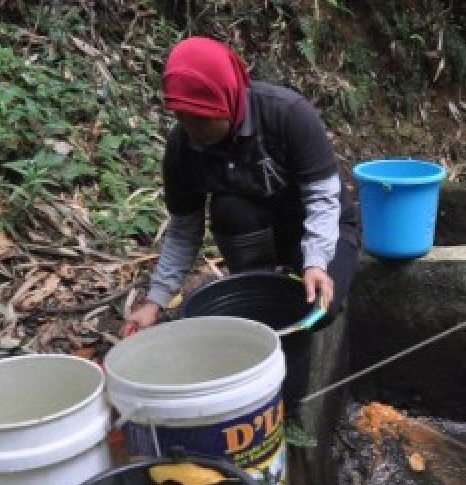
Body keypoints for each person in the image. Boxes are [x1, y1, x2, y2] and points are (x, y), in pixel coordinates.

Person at [122, 36, 359, 336]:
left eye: (203, 119)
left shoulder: (287, 114)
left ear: (227, 99)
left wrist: (316, 263)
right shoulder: (183, 145)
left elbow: (323, 200)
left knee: (319, 309)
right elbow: (184, 231)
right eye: (183, 117)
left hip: (320, 226)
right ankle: (257, 280)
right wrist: (155, 301)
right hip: (256, 227)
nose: (194, 130)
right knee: (228, 209)